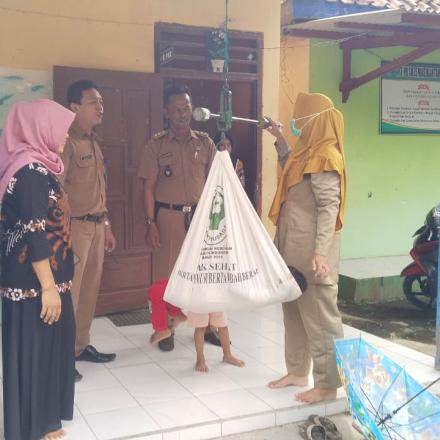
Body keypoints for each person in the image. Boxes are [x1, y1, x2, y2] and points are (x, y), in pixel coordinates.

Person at [0, 99, 76, 440]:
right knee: (38, 352)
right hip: (36, 284)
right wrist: (48, 287)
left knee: (45, 351)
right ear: (41, 129)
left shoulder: (33, 167)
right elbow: (34, 231)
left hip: (42, 279)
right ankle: (39, 426)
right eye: (61, 129)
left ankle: (45, 419)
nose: (66, 136)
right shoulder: (30, 172)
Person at [265, 92, 347, 404]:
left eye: (301, 120)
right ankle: (298, 371)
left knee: (320, 320)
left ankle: (327, 385)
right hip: (292, 251)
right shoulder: (307, 152)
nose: (297, 125)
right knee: (294, 313)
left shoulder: (326, 155)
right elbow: (291, 171)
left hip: (313, 257)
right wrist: (280, 138)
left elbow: (329, 207)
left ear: (316, 121)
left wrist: (321, 252)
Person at [138, 84, 219, 351]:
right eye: (177, 109)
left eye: (186, 108)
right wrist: (150, 223)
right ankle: (165, 328)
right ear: (166, 112)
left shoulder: (205, 143)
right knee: (166, 277)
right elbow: (148, 187)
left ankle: (208, 326)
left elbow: (215, 183)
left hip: (200, 219)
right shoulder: (156, 145)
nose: (183, 114)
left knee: (205, 274)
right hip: (169, 218)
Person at [61, 80, 117, 380]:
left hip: (96, 227)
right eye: (93, 102)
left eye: (101, 101)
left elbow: (99, 191)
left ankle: (80, 346)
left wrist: (106, 225)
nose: (100, 107)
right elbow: (57, 191)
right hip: (75, 229)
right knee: (69, 294)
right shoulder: (66, 143)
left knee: (89, 291)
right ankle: (61, 356)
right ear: (74, 107)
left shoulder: (93, 142)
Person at [148, 278, 186, 344]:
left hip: (169, 288)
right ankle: (163, 330)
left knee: (159, 308)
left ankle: (162, 330)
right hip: (173, 289)